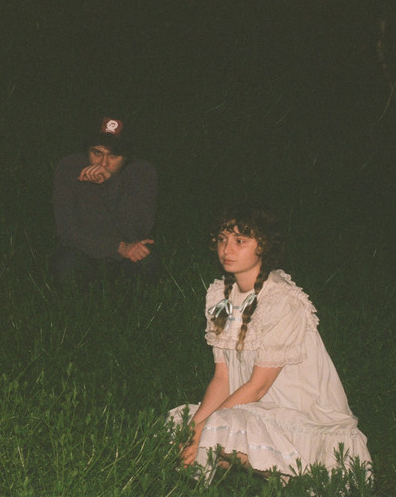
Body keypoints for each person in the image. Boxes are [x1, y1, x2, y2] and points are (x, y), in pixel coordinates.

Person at [169, 204, 372, 482]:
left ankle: (297, 477)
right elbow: (222, 378)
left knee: (216, 427)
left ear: (263, 246)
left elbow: (259, 386)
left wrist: (204, 429)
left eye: (240, 241)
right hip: (249, 406)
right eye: (222, 239)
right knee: (178, 426)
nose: (227, 249)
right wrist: (192, 430)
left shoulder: (281, 300)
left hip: (295, 412)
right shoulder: (220, 295)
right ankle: (222, 466)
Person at [51, 115, 160, 287]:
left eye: (113, 155)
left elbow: (139, 230)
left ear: (126, 157)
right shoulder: (69, 168)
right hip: (86, 250)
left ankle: (129, 300)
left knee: (147, 261)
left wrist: (112, 185)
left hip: (127, 253)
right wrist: (117, 247)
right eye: (97, 153)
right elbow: (66, 231)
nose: (103, 164)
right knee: (65, 264)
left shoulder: (142, 173)